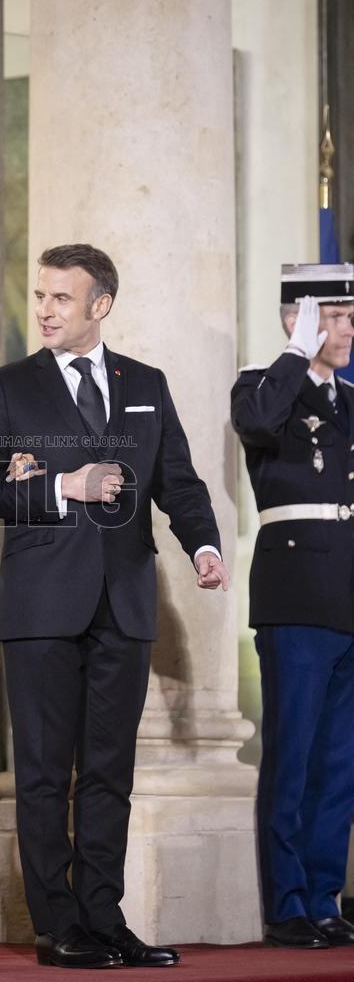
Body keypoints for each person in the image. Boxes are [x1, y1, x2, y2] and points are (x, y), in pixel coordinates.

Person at [0, 243, 228, 969]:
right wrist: (58, 488)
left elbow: (181, 482)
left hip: (126, 603)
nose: (43, 309)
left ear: (99, 305)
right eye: (40, 296)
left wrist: (203, 546)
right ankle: (59, 927)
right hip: (41, 606)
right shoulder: (7, 386)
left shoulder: (146, 382)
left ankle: (106, 920)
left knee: (110, 772)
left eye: (60, 298)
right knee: (43, 773)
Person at [231, 263, 354, 950]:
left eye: (348, 318)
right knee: (295, 754)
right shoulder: (263, 387)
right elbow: (256, 424)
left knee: (341, 763)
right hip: (296, 595)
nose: (347, 330)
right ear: (297, 319)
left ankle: (324, 895)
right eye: (333, 317)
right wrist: (294, 353)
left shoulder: (352, 399)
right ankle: (287, 906)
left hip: (349, 596)